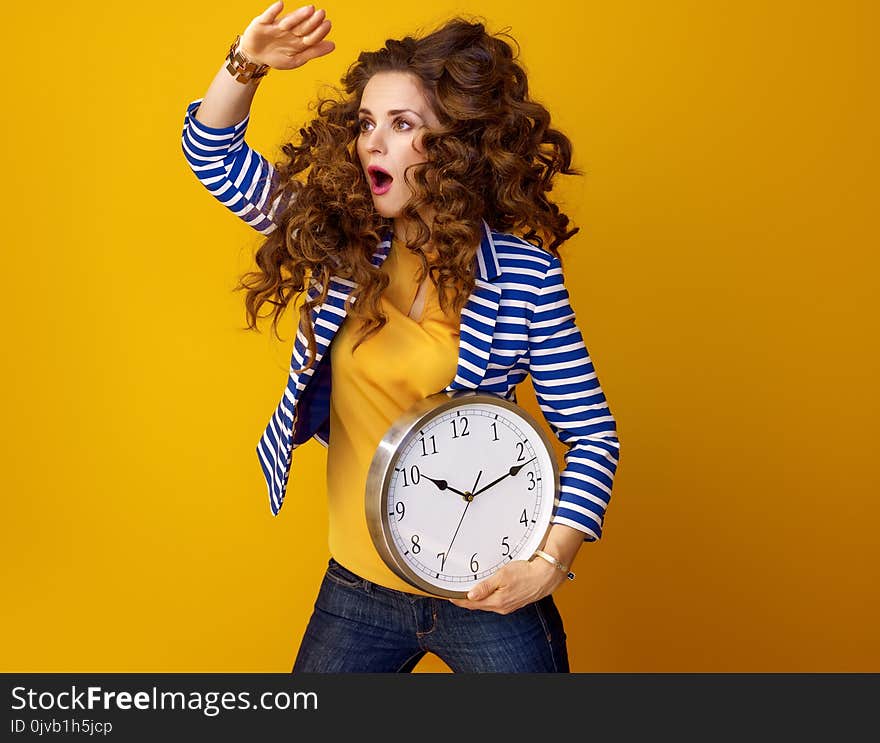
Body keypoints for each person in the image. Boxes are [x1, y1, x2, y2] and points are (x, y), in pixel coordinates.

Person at [181, 1, 620, 673]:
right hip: (359, 587)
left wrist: (549, 563)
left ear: (450, 149)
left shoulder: (525, 275)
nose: (372, 144)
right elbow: (213, 155)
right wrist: (246, 60)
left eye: (402, 124)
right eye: (365, 123)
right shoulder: (338, 238)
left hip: (486, 589)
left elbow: (593, 432)